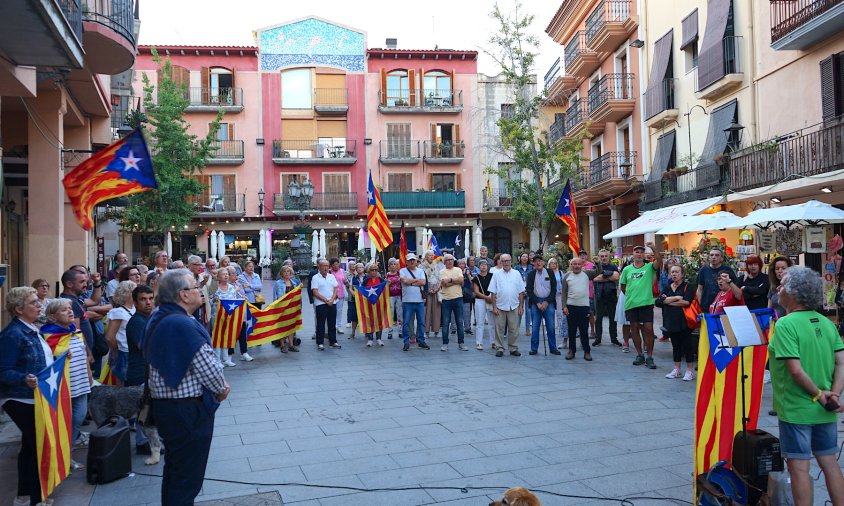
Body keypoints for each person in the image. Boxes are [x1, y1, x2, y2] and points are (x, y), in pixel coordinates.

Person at [144, 269, 230, 506]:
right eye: (195, 287)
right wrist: (221, 388)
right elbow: (208, 368)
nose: (199, 290)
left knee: (176, 470)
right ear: (183, 295)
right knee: (187, 476)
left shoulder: (159, 316)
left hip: (168, 407)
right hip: (185, 410)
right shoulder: (181, 323)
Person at [768, 266, 844, 505]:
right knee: (830, 463)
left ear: (794, 293)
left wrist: (819, 395)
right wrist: (834, 395)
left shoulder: (785, 325)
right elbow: (841, 362)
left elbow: (795, 370)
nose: (778, 288)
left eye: (783, 284)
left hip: (796, 408)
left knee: (799, 468)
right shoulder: (826, 323)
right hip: (825, 409)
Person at [0, 287, 53, 506]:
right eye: (34, 303)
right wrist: (24, 379)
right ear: (19, 309)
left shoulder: (32, 327)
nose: (39, 305)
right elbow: (3, 370)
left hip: (36, 396)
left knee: (31, 445)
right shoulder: (12, 334)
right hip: (20, 398)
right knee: (35, 444)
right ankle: (32, 496)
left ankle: (25, 495)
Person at [42, 299, 94, 469]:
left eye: (70, 309)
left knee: (78, 418)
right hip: (63, 387)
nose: (70, 312)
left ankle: (67, 453)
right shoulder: (48, 336)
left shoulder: (76, 331)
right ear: (52, 316)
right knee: (65, 423)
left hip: (80, 383)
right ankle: (62, 458)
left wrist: (89, 376)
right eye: (64, 310)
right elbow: (47, 362)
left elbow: (85, 355)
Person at [619, 243, 662, 369]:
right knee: (634, 328)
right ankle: (639, 355)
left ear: (644, 255)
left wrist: (653, 247)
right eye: (637, 252)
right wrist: (632, 296)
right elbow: (623, 286)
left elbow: (659, 260)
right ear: (633, 255)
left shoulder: (649, 267)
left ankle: (649, 356)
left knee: (649, 329)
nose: (639, 254)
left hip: (646, 303)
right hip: (631, 304)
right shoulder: (627, 269)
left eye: (641, 252)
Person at [125, 284, 155, 454]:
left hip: (149, 371)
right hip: (139, 373)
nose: (148, 302)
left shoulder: (149, 318)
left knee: (147, 408)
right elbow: (144, 347)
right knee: (144, 409)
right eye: (143, 299)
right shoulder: (136, 322)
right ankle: (143, 442)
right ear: (135, 302)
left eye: (150, 298)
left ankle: (145, 441)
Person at [655, 265, 695, 381]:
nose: (674, 274)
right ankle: (676, 369)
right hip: (671, 320)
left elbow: (686, 302)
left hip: (684, 321)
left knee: (687, 346)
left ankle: (689, 370)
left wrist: (668, 301)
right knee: (675, 346)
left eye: (677, 272)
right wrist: (676, 297)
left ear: (682, 274)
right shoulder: (667, 287)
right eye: (672, 272)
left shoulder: (688, 286)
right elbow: (659, 301)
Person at [559, 257, 599, 360]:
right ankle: (571, 351)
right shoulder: (567, 276)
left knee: (584, 331)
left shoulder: (587, 274)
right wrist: (564, 307)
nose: (577, 266)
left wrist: (597, 262)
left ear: (582, 265)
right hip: (570, 307)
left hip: (584, 307)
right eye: (574, 264)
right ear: (571, 265)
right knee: (571, 331)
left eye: (578, 264)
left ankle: (587, 351)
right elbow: (564, 293)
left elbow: (599, 271)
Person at [488, 254, 525, 358]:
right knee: (499, 328)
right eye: (504, 261)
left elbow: (521, 291)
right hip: (499, 306)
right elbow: (493, 292)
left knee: (514, 329)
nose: (506, 263)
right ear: (501, 262)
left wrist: (521, 306)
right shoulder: (496, 274)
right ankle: (499, 348)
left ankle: (513, 348)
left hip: (514, 305)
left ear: (511, 261)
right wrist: (494, 307)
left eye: (508, 260)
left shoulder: (517, 273)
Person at [210, 268, 247, 366]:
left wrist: (242, 299)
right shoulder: (214, 288)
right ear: (218, 277)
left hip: (229, 316)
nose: (226, 276)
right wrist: (213, 300)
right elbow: (209, 300)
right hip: (217, 316)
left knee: (226, 336)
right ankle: (217, 360)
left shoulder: (232, 287)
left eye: (227, 274)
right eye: (223, 274)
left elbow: (235, 300)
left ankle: (226, 359)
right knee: (217, 337)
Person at [525, 255, 559, 356]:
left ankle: (553, 348)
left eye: (540, 261)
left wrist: (546, 302)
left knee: (551, 326)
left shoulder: (549, 272)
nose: (538, 263)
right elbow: (529, 291)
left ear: (543, 263)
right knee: (535, 327)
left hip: (549, 302)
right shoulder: (531, 274)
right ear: (533, 264)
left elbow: (554, 289)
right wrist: (537, 303)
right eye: (536, 262)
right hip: (536, 302)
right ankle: (534, 348)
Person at [105, 280, 137, 385]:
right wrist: (116, 350)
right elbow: (110, 337)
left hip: (133, 351)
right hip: (124, 352)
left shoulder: (135, 309)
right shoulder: (118, 312)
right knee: (123, 382)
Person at [399, 254, 430, 352]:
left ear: (416, 261)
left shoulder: (421, 271)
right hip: (407, 301)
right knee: (406, 323)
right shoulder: (402, 270)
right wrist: (416, 280)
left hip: (419, 300)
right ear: (406, 262)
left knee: (421, 322)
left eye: (413, 260)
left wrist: (410, 282)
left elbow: (423, 282)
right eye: (410, 260)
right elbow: (404, 281)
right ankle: (406, 342)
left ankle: (421, 341)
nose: (412, 262)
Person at [592, 249, 621, 347]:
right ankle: (598, 338)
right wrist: (609, 275)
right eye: (602, 256)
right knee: (598, 318)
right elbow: (594, 278)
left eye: (605, 256)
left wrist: (602, 275)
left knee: (613, 318)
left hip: (611, 295)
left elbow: (617, 277)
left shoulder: (613, 266)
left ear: (609, 257)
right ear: (599, 257)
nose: (604, 258)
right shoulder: (595, 266)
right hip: (599, 295)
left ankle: (614, 338)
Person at [439, 254, 468, 352]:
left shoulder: (458, 270)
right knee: (446, 322)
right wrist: (456, 281)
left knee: (460, 322)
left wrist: (450, 280)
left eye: (451, 259)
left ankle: (461, 343)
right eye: (447, 260)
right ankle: (445, 343)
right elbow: (444, 284)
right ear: (444, 262)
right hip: (446, 299)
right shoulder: (442, 271)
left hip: (458, 298)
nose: (450, 261)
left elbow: (461, 280)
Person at [312, 259, 342, 351]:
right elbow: (315, 292)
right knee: (321, 324)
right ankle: (320, 342)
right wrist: (326, 300)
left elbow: (336, 288)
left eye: (327, 266)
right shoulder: (315, 278)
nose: (325, 268)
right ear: (319, 267)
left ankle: (333, 341)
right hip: (321, 304)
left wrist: (332, 299)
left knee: (332, 323)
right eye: (323, 266)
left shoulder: (331, 276)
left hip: (332, 303)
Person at [696, 248, 737, 313]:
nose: (714, 257)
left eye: (717, 255)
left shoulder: (728, 270)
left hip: (724, 307)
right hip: (706, 307)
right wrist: (700, 305)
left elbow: (734, 287)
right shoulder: (703, 270)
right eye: (711, 255)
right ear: (709, 257)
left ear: (721, 258)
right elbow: (699, 289)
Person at [271, 266, 301, 352]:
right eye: (285, 271)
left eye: (288, 271)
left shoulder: (294, 283)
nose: (287, 273)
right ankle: (282, 345)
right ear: (281, 273)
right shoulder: (278, 283)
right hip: (282, 308)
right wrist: (275, 308)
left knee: (291, 326)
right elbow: (275, 297)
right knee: (282, 326)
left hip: (292, 308)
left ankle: (291, 345)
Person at [360, 263, 387, 347]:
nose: (374, 272)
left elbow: (385, 290)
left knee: (379, 320)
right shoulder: (366, 281)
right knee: (369, 320)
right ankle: (370, 339)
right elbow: (362, 292)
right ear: (368, 271)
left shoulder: (381, 279)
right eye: (372, 270)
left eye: (376, 270)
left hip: (379, 304)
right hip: (369, 304)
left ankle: (379, 338)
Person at [472, 260, 495, 350]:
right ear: (478, 267)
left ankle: (493, 342)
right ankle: (479, 343)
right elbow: (476, 291)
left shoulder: (492, 276)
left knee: (492, 323)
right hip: (480, 301)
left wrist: (491, 298)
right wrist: (486, 298)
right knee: (480, 323)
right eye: (481, 265)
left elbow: (494, 288)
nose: (484, 266)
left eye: (485, 264)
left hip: (491, 299)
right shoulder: (476, 278)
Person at [547, 257, 569, 349]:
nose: (554, 264)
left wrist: (561, 290)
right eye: (552, 263)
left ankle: (561, 330)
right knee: (550, 313)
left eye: (555, 263)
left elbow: (564, 283)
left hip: (559, 295)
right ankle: (550, 329)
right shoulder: (546, 273)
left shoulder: (560, 273)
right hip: (550, 296)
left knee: (560, 314)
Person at [421, 251, 442, 339]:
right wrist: (427, 289)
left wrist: (436, 288)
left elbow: (439, 278)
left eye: (432, 255)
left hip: (436, 291)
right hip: (426, 291)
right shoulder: (421, 266)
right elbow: (421, 278)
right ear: (425, 257)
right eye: (429, 255)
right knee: (426, 312)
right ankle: (426, 331)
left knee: (436, 311)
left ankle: (436, 331)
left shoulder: (437, 265)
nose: (431, 257)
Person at [579, 250, 598, 341]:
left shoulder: (591, 265)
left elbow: (597, 275)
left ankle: (592, 331)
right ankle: (582, 331)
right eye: (580, 255)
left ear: (586, 256)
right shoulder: (576, 264)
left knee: (591, 313)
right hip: (579, 293)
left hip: (590, 292)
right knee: (581, 314)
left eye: (584, 255)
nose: (582, 257)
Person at [514, 252, 533, 337]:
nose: (524, 258)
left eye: (526, 256)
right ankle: (516, 329)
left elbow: (533, 280)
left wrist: (528, 290)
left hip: (529, 291)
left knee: (528, 311)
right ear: (520, 258)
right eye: (523, 256)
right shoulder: (516, 268)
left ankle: (527, 329)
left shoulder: (531, 268)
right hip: (519, 291)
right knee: (519, 310)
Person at [329, 258, 349, 335]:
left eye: (337, 264)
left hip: (340, 294)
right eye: (333, 265)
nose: (335, 266)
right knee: (332, 311)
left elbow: (345, 281)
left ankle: (338, 326)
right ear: (331, 265)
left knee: (339, 311)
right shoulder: (329, 272)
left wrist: (346, 281)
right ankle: (332, 326)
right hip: (331, 294)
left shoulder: (342, 271)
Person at [385, 258, 402, 340]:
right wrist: (386, 283)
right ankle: (390, 331)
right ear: (388, 266)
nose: (393, 266)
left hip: (399, 295)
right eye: (391, 264)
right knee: (391, 313)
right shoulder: (386, 275)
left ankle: (400, 331)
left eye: (394, 264)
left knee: (400, 313)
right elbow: (383, 286)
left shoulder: (400, 274)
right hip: (390, 296)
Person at [348, 263, 366, 340]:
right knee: (354, 316)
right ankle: (353, 332)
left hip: (365, 300)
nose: (359, 269)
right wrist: (354, 294)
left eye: (361, 267)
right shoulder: (354, 278)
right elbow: (350, 288)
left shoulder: (367, 277)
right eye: (358, 267)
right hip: (355, 300)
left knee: (366, 316)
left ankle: (367, 332)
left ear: (364, 268)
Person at [458, 258, 474, 335]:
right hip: (457, 294)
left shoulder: (468, 271)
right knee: (455, 312)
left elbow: (472, 282)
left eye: (463, 264)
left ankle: (467, 328)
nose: (461, 265)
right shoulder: (455, 272)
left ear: (465, 265)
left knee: (467, 311)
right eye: (460, 264)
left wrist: (468, 274)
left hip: (467, 294)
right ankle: (454, 328)